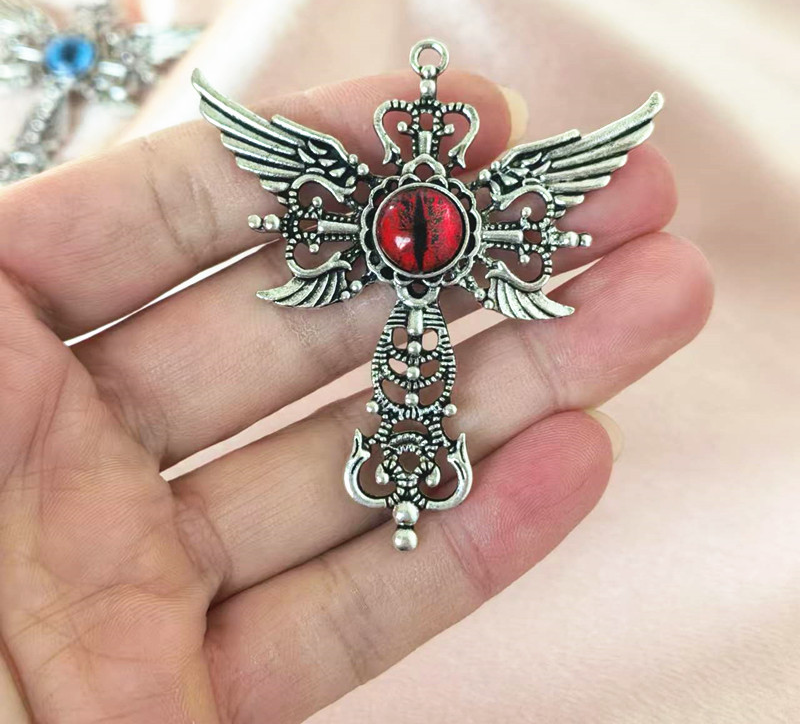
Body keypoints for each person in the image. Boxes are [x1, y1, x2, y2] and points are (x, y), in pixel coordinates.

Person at [0, 69, 712, 723]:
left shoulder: (388, 195)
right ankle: (409, 482)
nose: (426, 145)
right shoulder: (401, 198)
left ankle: (405, 481)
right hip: (413, 304)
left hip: (412, 308)